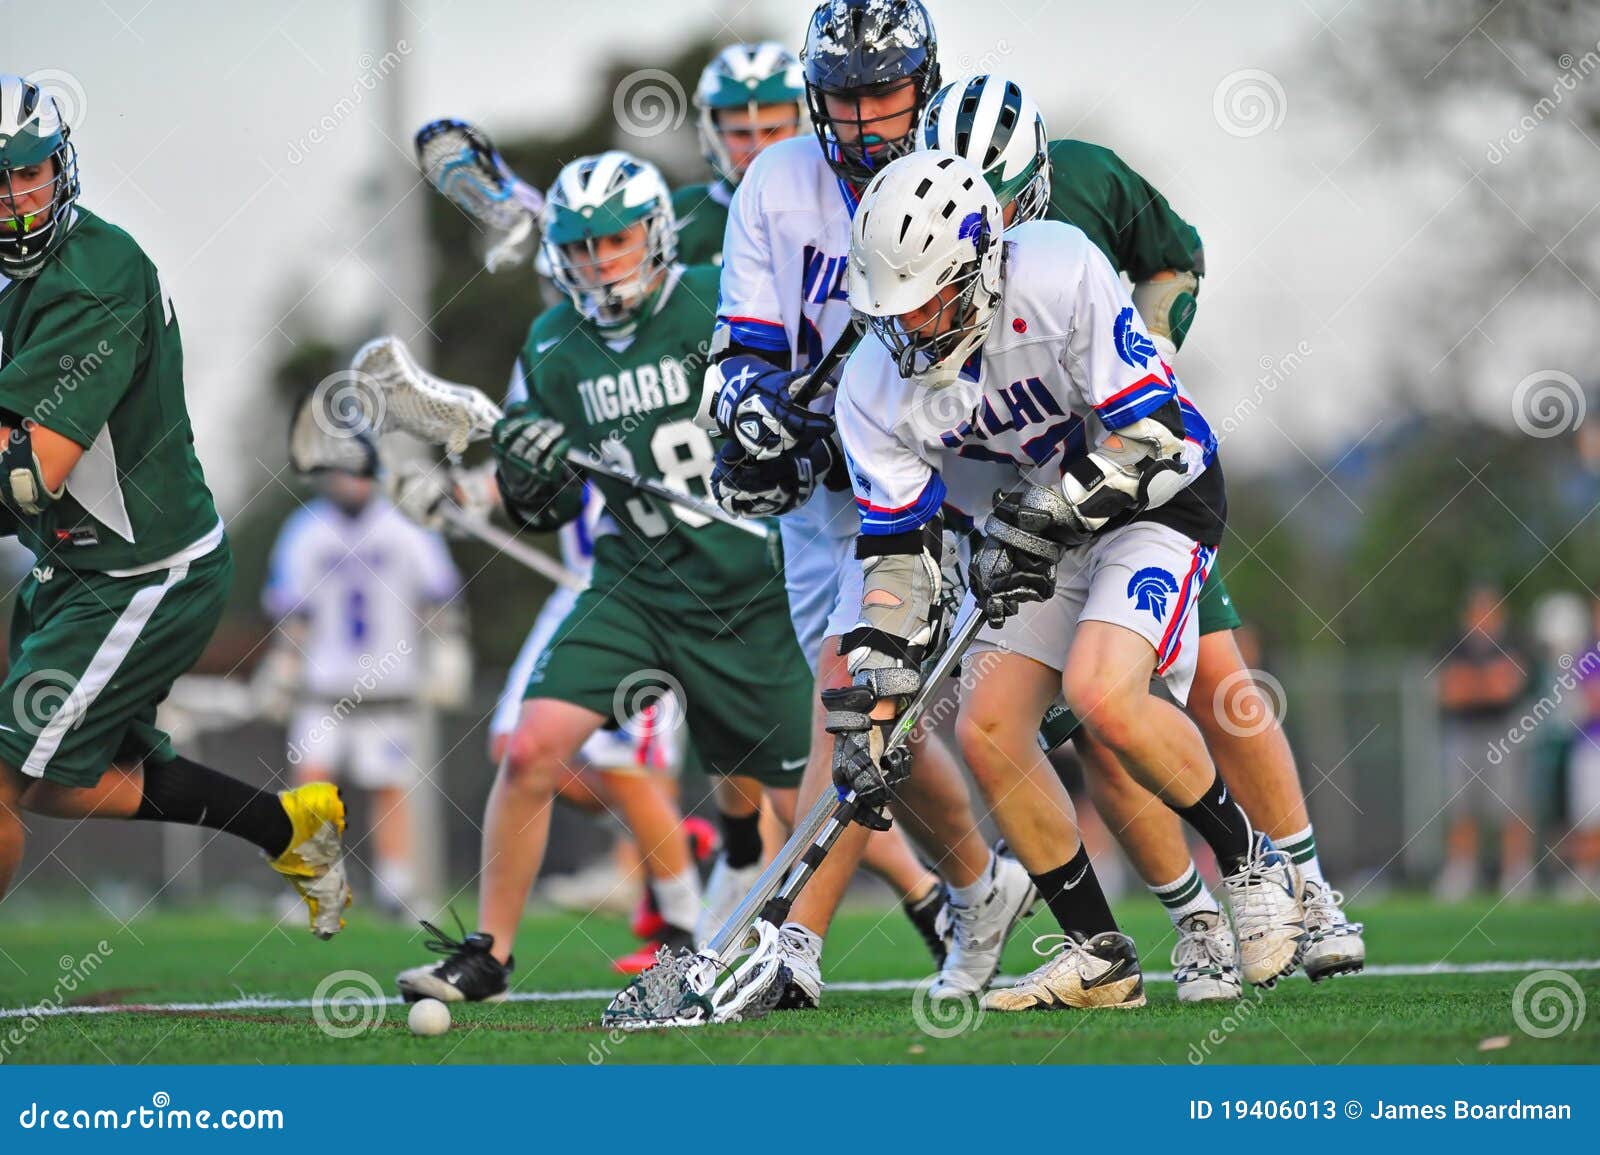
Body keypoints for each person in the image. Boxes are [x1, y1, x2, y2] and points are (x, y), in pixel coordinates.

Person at [395, 151, 941, 1003]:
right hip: (636, 582)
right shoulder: (552, 344)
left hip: (746, 589)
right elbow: (545, 503)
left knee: (806, 794)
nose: (600, 261)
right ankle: (489, 953)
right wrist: (532, 470)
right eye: (582, 248)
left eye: (616, 240)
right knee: (531, 746)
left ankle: (932, 893)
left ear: (654, 234)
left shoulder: (715, 298)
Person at [919, 72, 1363, 992]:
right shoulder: (913, 227)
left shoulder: (1082, 193)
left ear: (1032, 184)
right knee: (1090, 721)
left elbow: (1175, 259)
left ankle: (1304, 887)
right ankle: (1195, 921)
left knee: (1219, 685)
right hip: (1042, 493)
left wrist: (1144, 355)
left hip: (1144, 471)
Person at [833, 149, 1307, 1009]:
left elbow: (1153, 434)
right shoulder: (872, 382)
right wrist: (875, 696)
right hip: (1043, 521)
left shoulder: (1056, 271)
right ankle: (1101, 954)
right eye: (889, 307)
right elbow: (897, 554)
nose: (907, 327)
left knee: (1101, 693)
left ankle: (1251, 861)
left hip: (1156, 498)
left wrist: (1046, 514)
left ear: (980, 266)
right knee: (987, 728)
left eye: (925, 299)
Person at [707, 0, 1026, 1008]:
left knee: (851, 688)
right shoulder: (775, 182)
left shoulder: (957, 173)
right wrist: (756, 417)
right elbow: (744, 349)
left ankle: (789, 939)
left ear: (923, 84)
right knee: (890, 726)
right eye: (842, 95)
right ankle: (980, 885)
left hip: (925, 469)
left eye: (882, 91)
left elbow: (982, 348)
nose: (861, 115)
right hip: (821, 499)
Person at [0, 75, 348, 935]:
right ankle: (288, 828)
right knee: (58, 782)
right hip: (80, 566)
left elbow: (28, 474)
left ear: (59, 167)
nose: (14, 197)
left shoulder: (94, 273)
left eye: (28, 172)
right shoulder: (21, 283)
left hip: (143, 570)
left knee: (5, 774)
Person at [258, 463, 467, 917]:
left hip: (389, 683)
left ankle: (396, 885)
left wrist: (447, 651)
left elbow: (437, 595)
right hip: (323, 684)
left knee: (389, 784)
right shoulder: (305, 529)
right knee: (312, 781)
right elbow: (293, 609)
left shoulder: (406, 526)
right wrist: (284, 664)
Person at [1435, 584, 1534, 899]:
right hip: (1463, 734)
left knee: (1509, 804)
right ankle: (1462, 870)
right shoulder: (1453, 645)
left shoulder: (1514, 643)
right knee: (1460, 806)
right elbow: (1450, 690)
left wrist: (1473, 684)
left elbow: (1507, 687)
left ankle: (1516, 871)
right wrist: (1486, 682)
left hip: (1503, 733)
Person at [673, 42, 807, 266]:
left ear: (803, 126)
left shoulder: (836, 201)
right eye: (740, 133)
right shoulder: (681, 216)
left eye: (772, 131)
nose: (758, 148)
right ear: (714, 135)